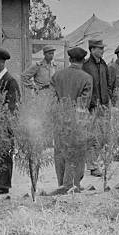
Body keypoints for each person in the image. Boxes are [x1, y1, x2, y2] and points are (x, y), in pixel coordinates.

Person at [47, 47, 93, 195]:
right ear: (83, 60)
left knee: (60, 152)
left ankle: (62, 183)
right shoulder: (86, 78)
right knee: (77, 153)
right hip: (77, 122)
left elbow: (51, 101)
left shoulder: (57, 76)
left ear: (70, 59)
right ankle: (71, 185)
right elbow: (83, 104)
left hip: (59, 120)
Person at [0, 47, 20, 195]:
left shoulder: (10, 81)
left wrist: (5, 123)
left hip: (4, 124)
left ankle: (2, 185)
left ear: (1, 62)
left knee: (4, 153)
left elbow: (12, 106)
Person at [82, 39, 113, 177]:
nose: (102, 50)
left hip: (104, 105)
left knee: (103, 136)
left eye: (102, 48)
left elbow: (108, 83)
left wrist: (108, 99)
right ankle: (92, 166)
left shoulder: (104, 64)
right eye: (99, 48)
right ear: (92, 49)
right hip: (92, 106)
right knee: (93, 137)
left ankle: (95, 162)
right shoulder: (86, 66)